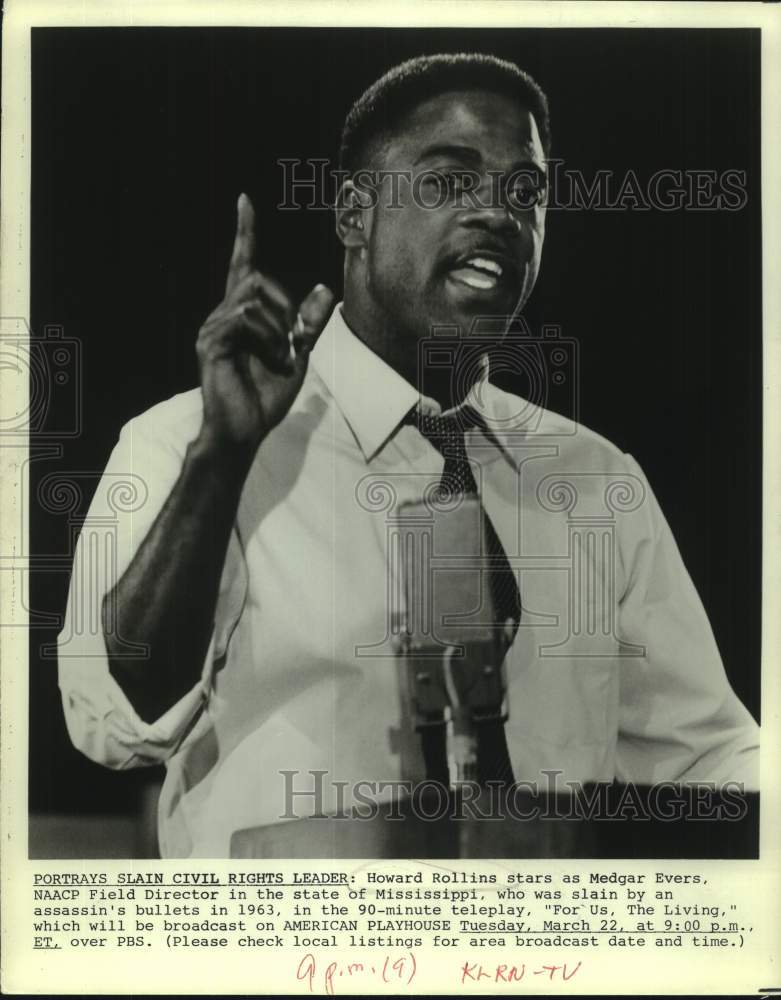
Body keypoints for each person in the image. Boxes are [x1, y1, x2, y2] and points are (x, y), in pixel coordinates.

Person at [57, 53, 758, 858]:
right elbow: (111, 720)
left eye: (524, 192)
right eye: (450, 181)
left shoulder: (597, 480)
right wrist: (219, 463)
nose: (498, 213)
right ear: (355, 214)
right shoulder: (190, 444)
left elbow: (707, 757)